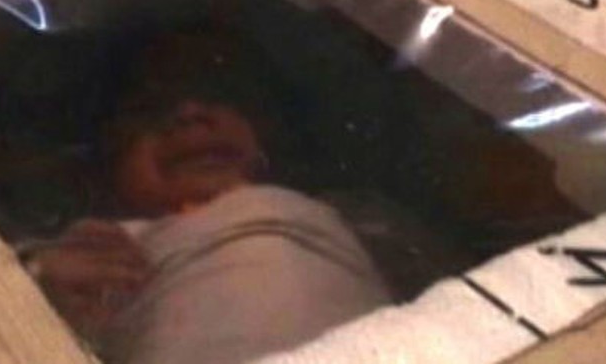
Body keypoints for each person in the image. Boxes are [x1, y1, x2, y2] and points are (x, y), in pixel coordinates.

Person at [21, 31, 391, 364]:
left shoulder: (352, 215)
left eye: (221, 95)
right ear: (108, 168)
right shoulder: (97, 252)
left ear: (267, 132)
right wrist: (37, 295)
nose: (189, 113)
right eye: (148, 112)